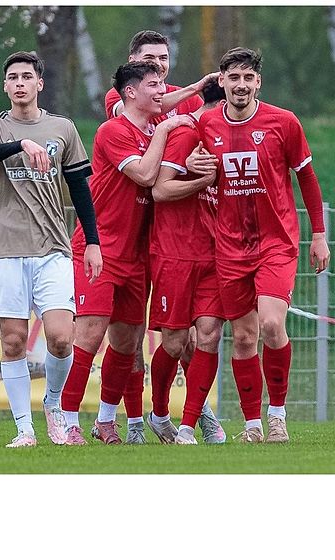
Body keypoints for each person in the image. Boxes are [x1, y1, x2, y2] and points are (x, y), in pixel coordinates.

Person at [0, 51, 102, 448]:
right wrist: (18, 145)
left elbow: (79, 187)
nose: (21, 83)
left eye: (28, 76)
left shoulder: (62, 128)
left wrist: (92, 240)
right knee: (12, 342)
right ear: (6, 86)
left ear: (39, 84)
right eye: (14, 77)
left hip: (53, 249)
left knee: (62, 336)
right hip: (6, 249)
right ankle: (24, 429)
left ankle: (55, 405)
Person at [197, 47, 331, 443]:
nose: (241, 85)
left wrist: (319, 234)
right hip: (230, 246)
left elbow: (306, 177)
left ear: (259, 83)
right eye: (233, 78)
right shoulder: (206, 124)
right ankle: (252, 425)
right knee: (241, 337)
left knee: (272, 323)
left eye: (248, 78)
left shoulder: (283, 122)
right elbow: (195, 168)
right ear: (221, 82)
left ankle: (277, 416)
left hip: (277, 241)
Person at [60, 61, 192, 445]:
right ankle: (68, 420)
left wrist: (199, 88)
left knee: (126, 343)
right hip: (97, 248)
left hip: (136, 256)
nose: (162, 90)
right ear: (131, 92)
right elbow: (147, 176)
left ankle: (105, 421)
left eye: (163, 84)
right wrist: (168, 127)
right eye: (154, 84)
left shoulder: (152, 129)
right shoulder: (112, 131)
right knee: (89, 334)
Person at [104, 30, 215, 443]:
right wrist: (186, 100)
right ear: (132, 61)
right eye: (149, 57)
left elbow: (202, 136)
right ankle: (132, 422)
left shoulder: (177, 100)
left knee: (184, 336)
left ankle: (193, 414)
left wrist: (197, 159)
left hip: (172, 235)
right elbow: (154, 118)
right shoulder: (125, 96)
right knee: (130, 338)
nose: (158, 64)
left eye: (164, 57)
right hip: (129, 234)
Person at [146, 76, 227, 445]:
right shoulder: (186, 134)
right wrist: (200, 179)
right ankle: (160, 413)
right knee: (176, 343)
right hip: (175, 252)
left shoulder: (232, 141)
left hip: (213, 254)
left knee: (209, 336)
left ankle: (190, 426)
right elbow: (160, 190)